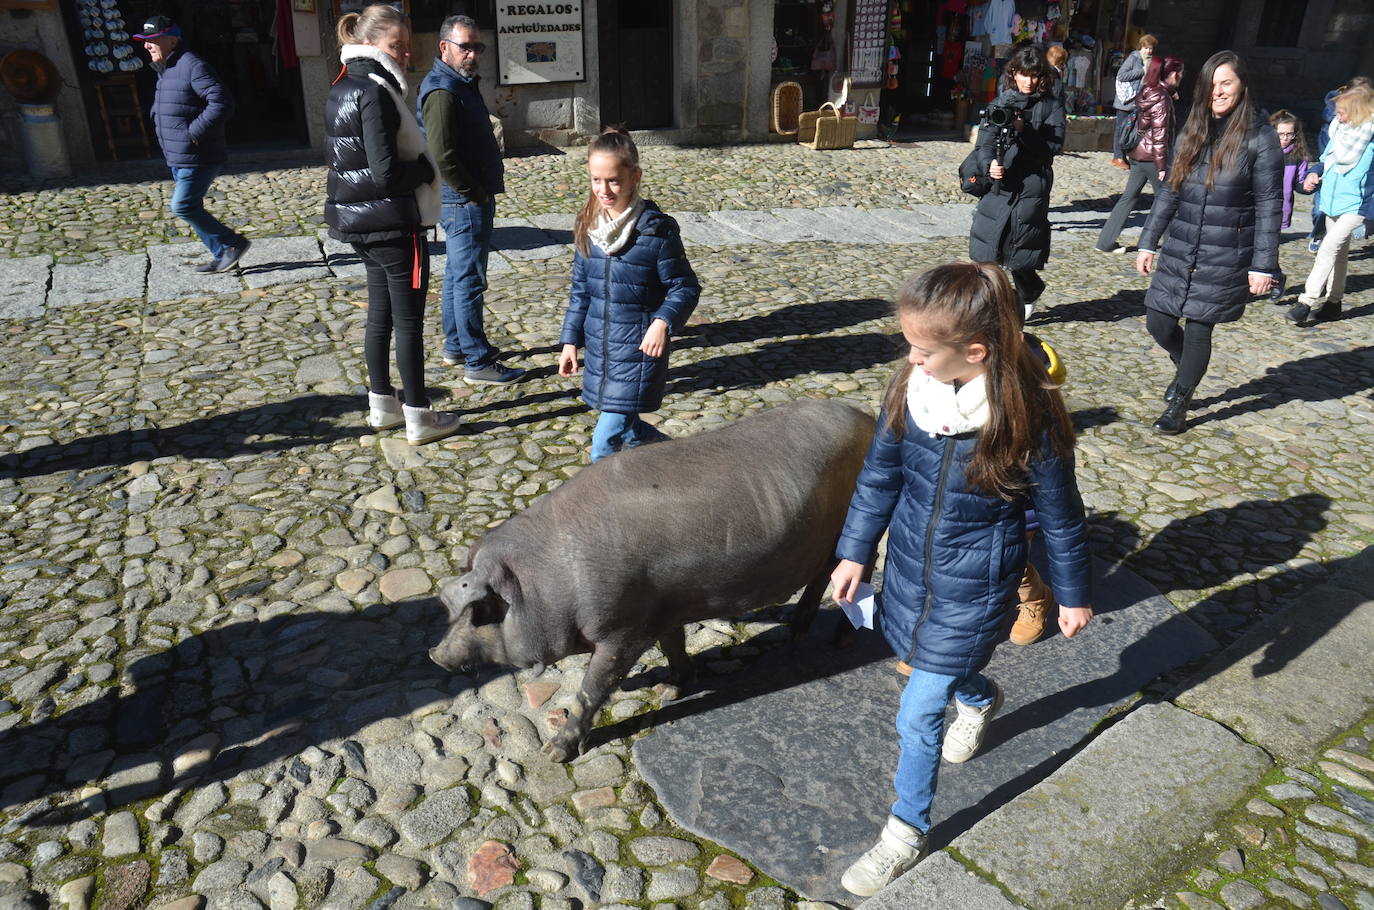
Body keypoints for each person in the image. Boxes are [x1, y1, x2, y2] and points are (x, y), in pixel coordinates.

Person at [831, 262, 1093, 898]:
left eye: (923, 349)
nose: (911, 358)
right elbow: (879, 477)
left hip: (977, 583)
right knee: (922, 658)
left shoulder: (1028, 416)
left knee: (917, 710)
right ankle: (978, 697)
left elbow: (1062, 517)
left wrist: (1074, 593)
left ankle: (904, 833)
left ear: (974, 351)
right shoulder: (908, 390)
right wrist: (854, 551)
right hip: (912, 571)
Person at [325, 4, 459, 446]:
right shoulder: (376, 91)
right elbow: (385, 172)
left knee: (380, 318)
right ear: (370, 44)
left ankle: (382, 406)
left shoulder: (342, 84)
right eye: (396, 46)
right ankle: (420, 415)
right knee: (409, 322)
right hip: (395, 223)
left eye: (407, 46)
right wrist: (423, 171)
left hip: (362, 223)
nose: (405, 55)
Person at [1135, 50, 1282, 435]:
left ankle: (1181, 401)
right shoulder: (1193, 128)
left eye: (1226, 83)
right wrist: (1148, 241)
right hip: (1181, 245)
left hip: (1226, 252)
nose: (1218, 92)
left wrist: (1263, 264)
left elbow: (1270, 205)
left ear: (1242, 85)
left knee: (1199, 327)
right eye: (1212, 85)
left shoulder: (1260, 138)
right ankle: (1187, 370)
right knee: (1159, 322)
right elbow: (1169, 190)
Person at [558, 128, 701, 462]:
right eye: (596, 180)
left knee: (604, 444)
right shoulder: (588, 228)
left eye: (613, 181)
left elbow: (685, 286)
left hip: (639, 353)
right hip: (601, 350)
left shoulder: (656, 232)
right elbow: (580, 292)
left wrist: (662, 322)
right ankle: (683, 461)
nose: (603, 190)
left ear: (635, 176)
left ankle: (601, 505)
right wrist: (569, 342)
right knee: (631, 431)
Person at [417, 15, 525, 386]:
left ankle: (456, 347)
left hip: (463, 199)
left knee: (458, 276)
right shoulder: (443, 91)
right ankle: (477, 361)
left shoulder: (459, 83)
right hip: (463, 201)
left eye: (477, 47)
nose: (473, 54)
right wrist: (474, 193)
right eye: (466, 46)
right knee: (469, 281)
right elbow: (442, 155)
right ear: (444, 47)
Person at [136, 15, 250, 274]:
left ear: (172, 39)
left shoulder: (192, 65)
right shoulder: (166, 68)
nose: (146, 45)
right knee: (191, 207)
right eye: (144, 41)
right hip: (179, 155)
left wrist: (193, 133)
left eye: (152, 40)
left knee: (183, 206)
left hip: (197, 154)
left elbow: (221, 102)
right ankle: (223, 254)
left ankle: (233, 243)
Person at [968, 43, 1066, 319]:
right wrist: (990, 165)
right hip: (1001, 184)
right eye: (1023, 75)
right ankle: (989, 307)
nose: (1028, 81)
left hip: (1032, 184)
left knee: (1019, 246)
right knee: (990, 247)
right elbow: (983, 144)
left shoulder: (1051, 104)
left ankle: (1028, 290)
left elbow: (1053, 147)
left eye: (1034, 76)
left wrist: (1025, 132)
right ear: (1014, 74)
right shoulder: (1001, 102)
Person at [1287, 83, 1374, 327]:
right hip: (1333, 202)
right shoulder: (1341, 132)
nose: (1337, 117)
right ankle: (1334, 303)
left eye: (1342, 112)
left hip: (1358, 205)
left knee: (1327, 248)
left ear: (1357, 111)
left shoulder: (1371, 140)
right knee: (1339, 255)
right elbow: (1325, 161)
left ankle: (1306, 302)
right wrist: (1314, 173)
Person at [1095, 55, 1185, 253]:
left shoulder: (1149, 90)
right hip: (1152, 157)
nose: (1182, 76)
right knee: (1168, 200)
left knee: (1129, 197)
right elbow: (1160, 135)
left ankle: (1105, 242)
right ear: (1173, 73)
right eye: (1181, 72)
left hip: (1138, 153)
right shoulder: (1161, 98)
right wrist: (1163, 166)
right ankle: (1174, 247)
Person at [1307, 77, 1373, 253]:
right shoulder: (1335, 122)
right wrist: (1316, 170)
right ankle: (1319, 234)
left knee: (1332, 250)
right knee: (1319, 211)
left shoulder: (1367, 131)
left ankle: (1327, 244)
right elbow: (1326, 150)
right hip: (1329, 175)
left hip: (1351, 190)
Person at [1266, 109, 1313, 302]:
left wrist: (1309, 185)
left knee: (1267, 249)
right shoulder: (1263, 151)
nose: (1285, 138)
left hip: (1277, 209)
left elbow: (1299, 185)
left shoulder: (1297, 156)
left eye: (1289, 134)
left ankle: (1276, 279)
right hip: (1253, 206)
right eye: (1281, 134)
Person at [1110, 34, 1156, 169]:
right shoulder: (1134, 58)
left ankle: (1128, 155)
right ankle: (1118, 157)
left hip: (1137, 102)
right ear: (1141, 47)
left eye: (1151, 48)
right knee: (1121, 129)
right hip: (1125, 101)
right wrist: (1142, 71)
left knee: (1133, 130)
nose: (1148, 51)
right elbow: (1121, 75)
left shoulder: (1150, 61)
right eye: (1146, 48)